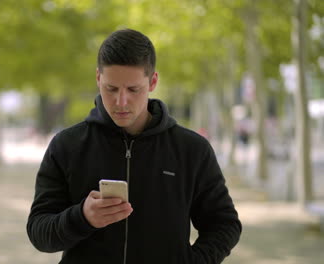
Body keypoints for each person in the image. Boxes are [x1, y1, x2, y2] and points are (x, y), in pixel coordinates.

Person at [27, 28, 241, 263]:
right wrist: (82, 218)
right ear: (98, 78)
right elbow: (39, 232)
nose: (121, 101)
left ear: (153, 82)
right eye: (111, 88)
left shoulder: (192, 150)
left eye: (132, 90)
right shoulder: (66, 145)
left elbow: (224, 225)